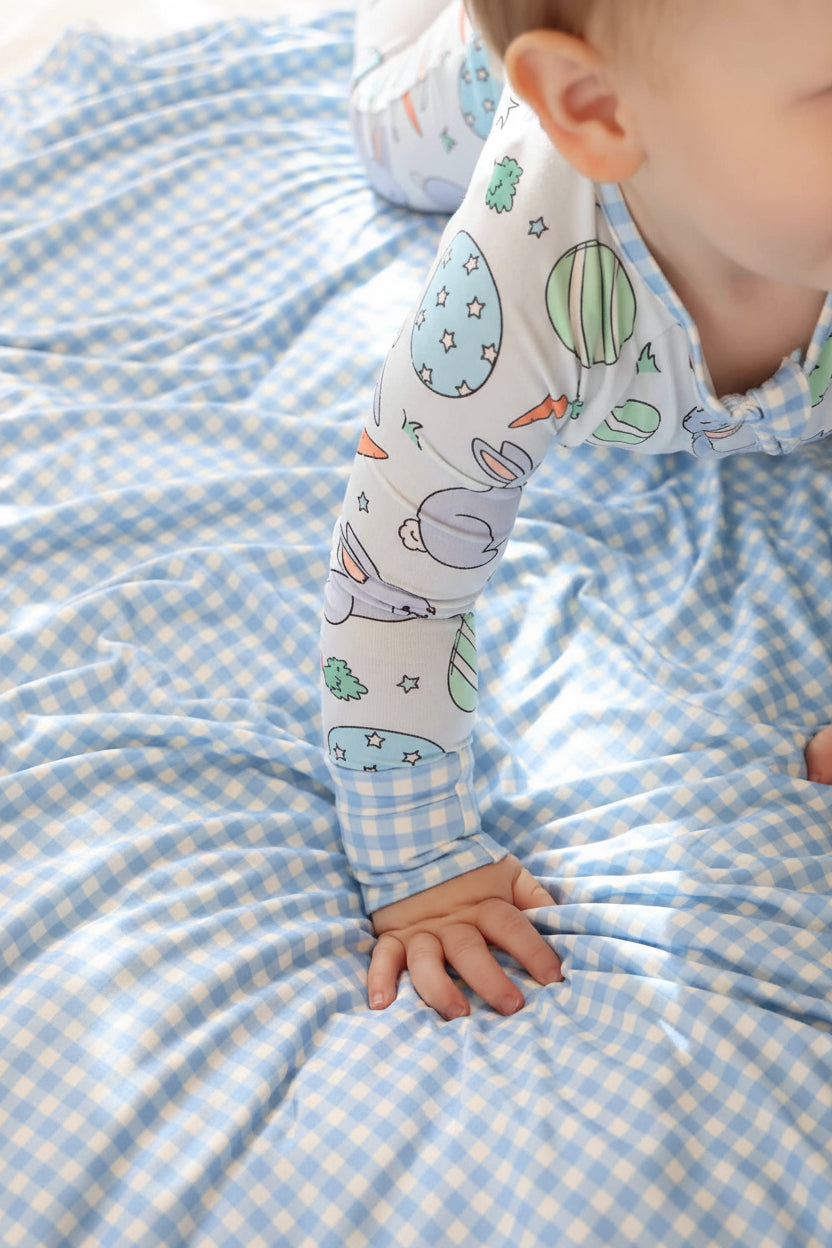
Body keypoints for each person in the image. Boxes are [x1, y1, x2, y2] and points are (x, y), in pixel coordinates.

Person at [322, 0, 832, 1021]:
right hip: (479, 90)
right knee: (390, 136)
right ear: (596, 106)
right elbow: (398, 587)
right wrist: (422, 860)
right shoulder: (512, 282)